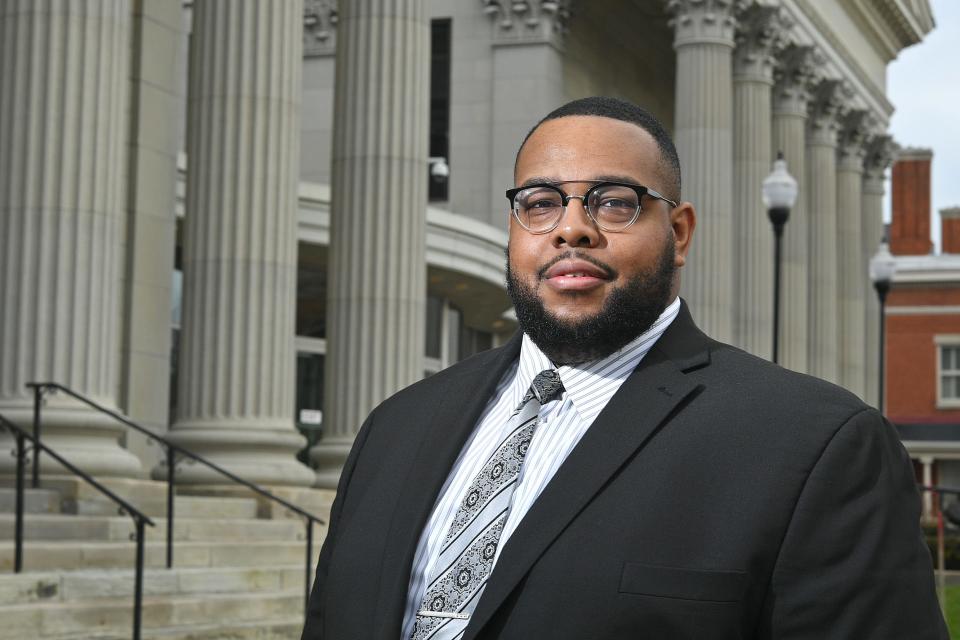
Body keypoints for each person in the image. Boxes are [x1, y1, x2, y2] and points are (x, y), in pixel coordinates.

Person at [302, 96, 947, 639]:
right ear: (515, 226)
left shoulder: (816, 446)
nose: (571, 228)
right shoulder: (395, 428)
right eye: (541, 202)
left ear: (681, 232)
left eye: (615, 202)